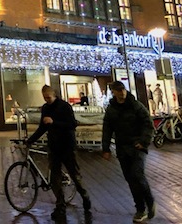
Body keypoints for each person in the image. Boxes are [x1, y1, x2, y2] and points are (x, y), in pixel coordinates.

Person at [26, 85, 92, 220]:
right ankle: (60, 205)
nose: (46, 100)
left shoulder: (64, 106)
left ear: (54, 95)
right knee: (54, 177)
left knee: (74, 174)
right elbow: (43, 127)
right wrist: (30, 140)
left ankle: (84, 195)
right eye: (44, 97)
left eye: (48, 97)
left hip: (67, 145)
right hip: (54, 146)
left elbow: (72, 124)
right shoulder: (45, 108)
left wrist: (54, 122)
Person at [102, 81, 156, 223]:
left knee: (137, 175)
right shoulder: (112, 109)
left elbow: (148, 124)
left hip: (137, 147)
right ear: (113, 91)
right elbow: (107, 128)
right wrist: (105, 148)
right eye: (118, 90)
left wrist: (143, 142)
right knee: (131, 180)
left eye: (123, 89)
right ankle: (140, 208)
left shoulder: (136, 105)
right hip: (122, 148)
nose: (122, 93)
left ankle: (149, 201)